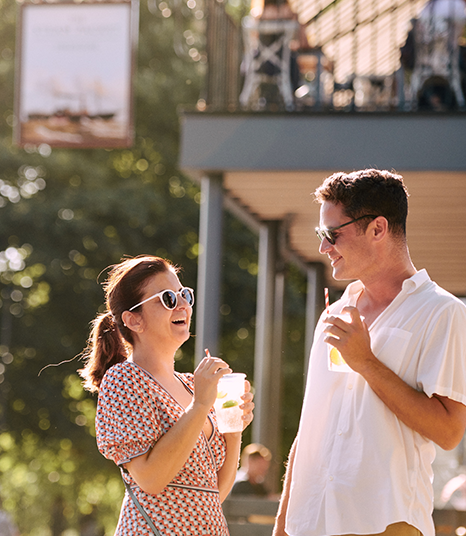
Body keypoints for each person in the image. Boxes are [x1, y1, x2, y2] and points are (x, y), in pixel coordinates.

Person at [273, 169, 466, 536]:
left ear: (377, 228)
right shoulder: (332, 315)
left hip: (384, 523)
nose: (323, 247)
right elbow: (310, 428)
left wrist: (366, 363)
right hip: (309, 522)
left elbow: (448, 431)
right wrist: (282, 525)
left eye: (332, 234)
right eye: (321, 235)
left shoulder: (443, 313)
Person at [79, 255, 254, 536]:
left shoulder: (191, 384)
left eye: (185, 294)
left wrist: (233, 430)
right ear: (133, 320)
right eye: (168, 298)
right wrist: (200, 406)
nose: (183, 305)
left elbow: (213, 494)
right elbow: (150, 479)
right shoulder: (124, 380)